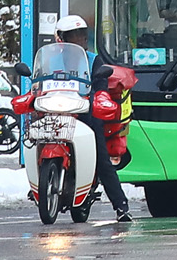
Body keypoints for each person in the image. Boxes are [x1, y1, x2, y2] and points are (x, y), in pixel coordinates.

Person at [55, 15, 133, 223]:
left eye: (81, 35)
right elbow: (40, 82)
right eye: (73, 36)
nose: (79, 40)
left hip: (85, 113)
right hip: (57, 111)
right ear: (61, 38)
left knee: (102, 159)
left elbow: (100, 83)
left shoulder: (93, 59)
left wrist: (98, 96)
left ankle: (121, 207)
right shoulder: (52, 59)